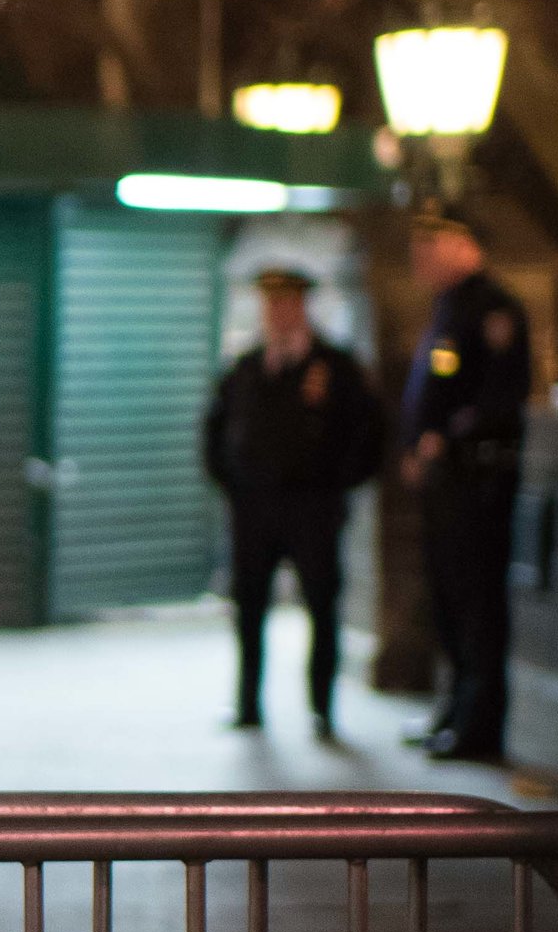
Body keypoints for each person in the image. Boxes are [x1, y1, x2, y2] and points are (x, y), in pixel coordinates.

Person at [202, 263, 383, 741]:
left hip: (314, 509)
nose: (279, 313)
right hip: (255, 510)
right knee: (249, 607)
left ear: (302, 307)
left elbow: (367, 433)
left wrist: (337, 484)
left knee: (323, 606)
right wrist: (233, 485)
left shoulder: (337, 367)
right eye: (271, 304)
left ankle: (322, 708)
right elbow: (216, 430)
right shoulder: (246, 366)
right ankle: (248, 704)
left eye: (287, 304)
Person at [401, 204, 531, 763]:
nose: (421, 260)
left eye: (432, 247)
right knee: (449, 596)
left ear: (464, 246)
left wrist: (446, 440)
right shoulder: (448, 308)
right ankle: (454, 710)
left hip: (478, 477)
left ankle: (480, 726)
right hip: (445, 479)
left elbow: (501, 398)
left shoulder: (494, 310)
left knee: (478, 599)